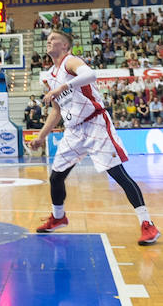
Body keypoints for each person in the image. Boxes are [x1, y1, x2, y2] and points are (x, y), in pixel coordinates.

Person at [29, 30, 159, 245]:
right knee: (56, 176)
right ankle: (58, 218)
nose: (49, 41)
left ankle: (148, 225)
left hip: (95, 122)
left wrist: (64, 86)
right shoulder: (50, 75)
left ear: (65, 46)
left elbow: (90, 75)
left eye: (54, 39)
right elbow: (56, 111)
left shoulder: (71, 61)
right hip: (73, 131)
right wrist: (41, 137)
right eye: (48, 39)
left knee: (117, 174)